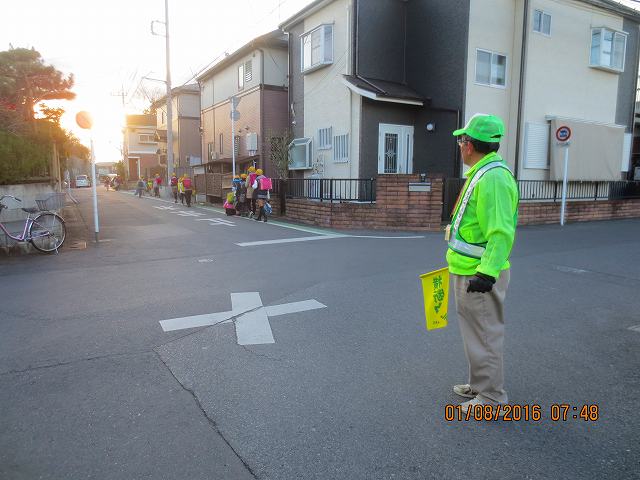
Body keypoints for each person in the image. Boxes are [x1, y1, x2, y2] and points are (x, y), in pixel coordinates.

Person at [448, 114, 519, 415]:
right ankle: (479, 385)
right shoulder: (483, 172)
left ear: (468, 145)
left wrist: (487, 273)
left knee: (486, 334)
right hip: (467, 270)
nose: (460, 145)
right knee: (476, 333)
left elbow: (501, 232)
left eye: (461, 140)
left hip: (479, 275)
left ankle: (491, 400)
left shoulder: (492, 178)